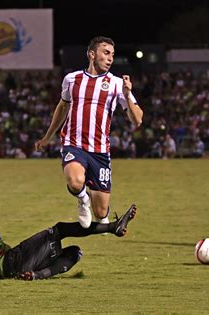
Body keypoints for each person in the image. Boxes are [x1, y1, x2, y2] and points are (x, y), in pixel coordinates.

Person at [35, 36, 143, 228]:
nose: (110, 58)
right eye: (106, 53)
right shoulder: (72, 79)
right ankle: (82, 197)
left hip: (100, 151)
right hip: (73, 144)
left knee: (101, 213)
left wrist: (127, 94)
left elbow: (137, 120)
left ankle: (97, 209)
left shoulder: (117, 84)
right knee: (76, 181)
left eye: (112, 54)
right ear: (92, 54)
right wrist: (47, 137)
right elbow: (62, 108)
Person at [0, 185, 137, 282]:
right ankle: (113, 227)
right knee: (59, 229)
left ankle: (36, 275)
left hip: (14, 270)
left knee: (74, 252)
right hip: (12, 260)